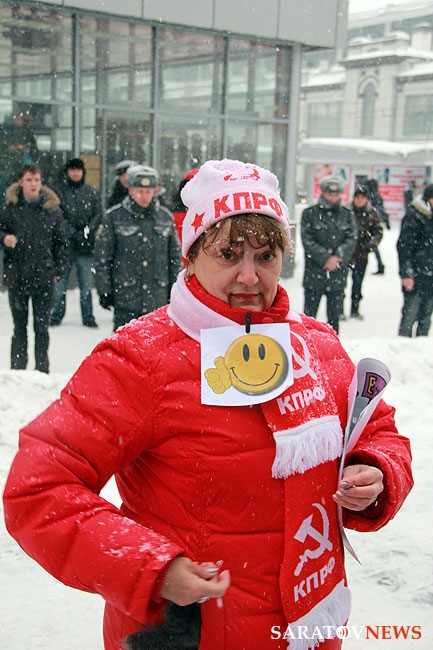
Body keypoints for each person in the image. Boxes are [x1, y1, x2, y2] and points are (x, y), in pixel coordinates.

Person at [3, 159, 413, 650]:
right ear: (191, 255)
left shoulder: (316, 344)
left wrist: (376, 470)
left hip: (312, 626)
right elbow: (39, 489)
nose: (249, 276)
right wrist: (151, 568)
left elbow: (378, 431)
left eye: (266, 256)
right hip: (191, 634)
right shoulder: (141, 357)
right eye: (228, 254)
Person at [94, 164, 181, 330]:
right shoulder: (114, 217)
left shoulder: (164, 217)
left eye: (148, 191)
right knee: (124, 344)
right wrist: (104, 290)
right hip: (126, 298)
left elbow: (174, 258)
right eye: (139, 191)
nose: (144, 196)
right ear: (130, 190)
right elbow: (103, 257)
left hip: (157, 299)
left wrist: (175, 290)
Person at [0, 162, 68, 372]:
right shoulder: (10, 208)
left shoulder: (51, 210)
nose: (33, 184)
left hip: (43, 277)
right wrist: (4, 238)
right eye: (29, 180)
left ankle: (42, 370)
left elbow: (61, 243)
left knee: (42, 328)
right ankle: (18, 370)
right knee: (19, 328)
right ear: (21, 182)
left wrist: (58, 270)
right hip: (17, 275)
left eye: (37, 180)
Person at [50, 158, 102, 328]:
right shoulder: (59, 192)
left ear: (83, 172)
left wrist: (87, 232)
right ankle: (56, 314)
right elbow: (58, 217)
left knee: (86, 285)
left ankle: (88, 316)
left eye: (78, 170)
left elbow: (97, 215)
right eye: (72, 170)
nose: (75, 173)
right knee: (60, 285)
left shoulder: (91, 192)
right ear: (67, 172)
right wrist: (72, 233)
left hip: (86, 248)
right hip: (64, 247)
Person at [301, 176, 357, 334]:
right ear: (323, 193)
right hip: (315, 273)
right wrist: (325, 258)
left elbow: (352, 239)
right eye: (329, 194)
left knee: (334, 319)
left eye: (336, 194)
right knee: (309, 319)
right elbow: (307, 241)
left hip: (337, 273)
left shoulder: (347, 215)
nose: (333, 198)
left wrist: (337, 256)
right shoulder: (310, 214)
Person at [397, 183, 433, 337]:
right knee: (409, 316)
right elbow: (404, 247)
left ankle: (420, 347)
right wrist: (406, 273)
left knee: (426, 317)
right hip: (416, 274)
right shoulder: (414, 215)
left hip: (430, 277)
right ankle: (402, 347)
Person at [347, 185, 383, 320]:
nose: (359, 200)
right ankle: (338, 309)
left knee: (357, 284)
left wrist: (371, 245)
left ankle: (355, 309)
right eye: (357, 197)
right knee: (340, 284)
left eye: (362, 197)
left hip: (361, 254)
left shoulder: (371, 213)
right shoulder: (347, 212)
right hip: (345, 254)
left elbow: (378, 231)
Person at [365, 178, 390, 275]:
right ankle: (380, 265)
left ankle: (380, 265)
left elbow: (377, 209)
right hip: (374, 222)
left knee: (371, 245)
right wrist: (386, 221)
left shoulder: (371, 196)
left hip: (369, 222)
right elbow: (381, 209)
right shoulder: (377, 195)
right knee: (373, 245)